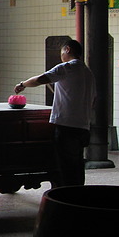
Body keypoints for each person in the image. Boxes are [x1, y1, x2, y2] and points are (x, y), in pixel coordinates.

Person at [14, 39, 95, 187]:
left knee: (64, 168)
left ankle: (64, 200)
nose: (61, 56)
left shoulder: (67, 67)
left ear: (67, 50)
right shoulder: (87, 72)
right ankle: (78, 196)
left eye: (61, 52)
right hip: (83, 127)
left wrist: (22, 84)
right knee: (77, 166)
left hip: (67, 126)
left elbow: (40, 79)